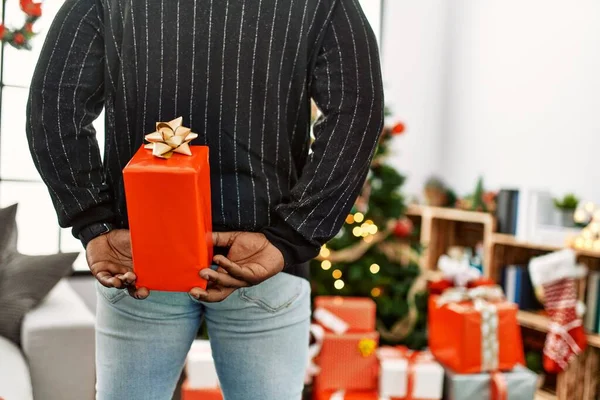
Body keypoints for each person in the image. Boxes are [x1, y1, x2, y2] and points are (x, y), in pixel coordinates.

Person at [26, 0, 383, 398]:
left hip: (141, 251)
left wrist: (95, 223)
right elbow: (358, 111)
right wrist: (292, 235)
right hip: (259, 256)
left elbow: (54, 108)